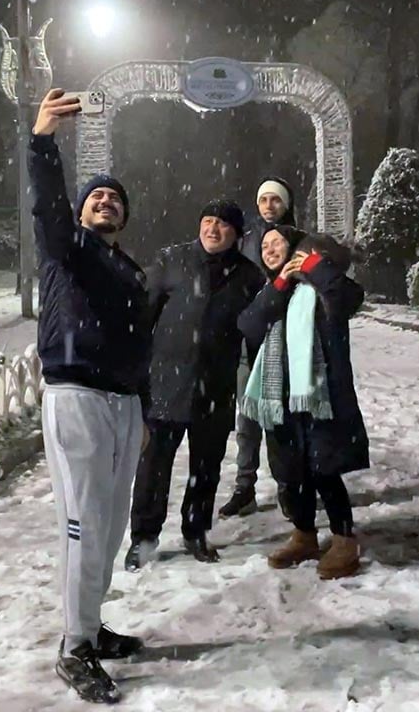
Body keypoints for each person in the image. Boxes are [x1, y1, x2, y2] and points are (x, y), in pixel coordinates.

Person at [31, 88, 149, 705]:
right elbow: (49, 208)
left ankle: (92, 626)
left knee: (111, 523)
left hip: (123, 405)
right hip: (76, 393)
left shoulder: (128, 269)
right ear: (81, 213)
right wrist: (44, 142)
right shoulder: (67, 251)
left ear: (124, 218)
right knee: (84, 522)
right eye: (95, 196)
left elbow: (142, 345)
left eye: (115, 198)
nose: (105, 201)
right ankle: (74, 646)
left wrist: (144, 407)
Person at [125, 200, 266, 570]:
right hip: (166, 384)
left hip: (216, 388)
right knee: (153, 466)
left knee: (206, 467)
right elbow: (144, 318)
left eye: (222, 224)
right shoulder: (172, 261)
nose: (212, 229)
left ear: (237, 233)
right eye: (207, 221)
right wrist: (135, 372)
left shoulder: (248, 276)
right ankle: (143, 537)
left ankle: (196, 530)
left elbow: (256, 335)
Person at [237, 226, 370, 580]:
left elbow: (349, 296)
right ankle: (305, 534)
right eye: (264, 246)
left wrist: (313, 266)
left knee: (324, 469)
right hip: (279, 395)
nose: (269, 249)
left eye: (277, 243)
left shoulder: (320, 288)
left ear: (296, 249)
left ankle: (344, 539)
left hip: (317, 393)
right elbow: (249, 324)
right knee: (291, 472)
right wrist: (280, 283)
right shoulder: (275, 291)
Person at [219, 177, 299, 519]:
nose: (269, 206)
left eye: (275, 200)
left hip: (288, 339)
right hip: (250, 339)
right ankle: (244, 486)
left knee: (284, 421)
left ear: (286, 204)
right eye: (263, 199)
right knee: (248, 417)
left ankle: (288, 486)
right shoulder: (248, 241)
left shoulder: (299, 241)